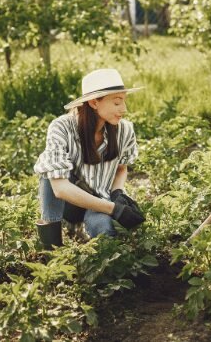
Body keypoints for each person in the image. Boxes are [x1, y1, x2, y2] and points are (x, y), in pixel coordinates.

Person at [33, 68, 145, 249]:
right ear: (94, 103)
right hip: (69, 202)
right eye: (117, 103)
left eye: (124, 101)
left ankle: (88, 235)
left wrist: (117, 194)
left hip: (100, 200)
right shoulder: (62, 127)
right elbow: (60, 189)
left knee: (105, 232)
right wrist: (114, 210)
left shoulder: (125, 130)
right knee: (49, 174)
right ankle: (51, 250)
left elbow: (121, 168)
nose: (124, 109)